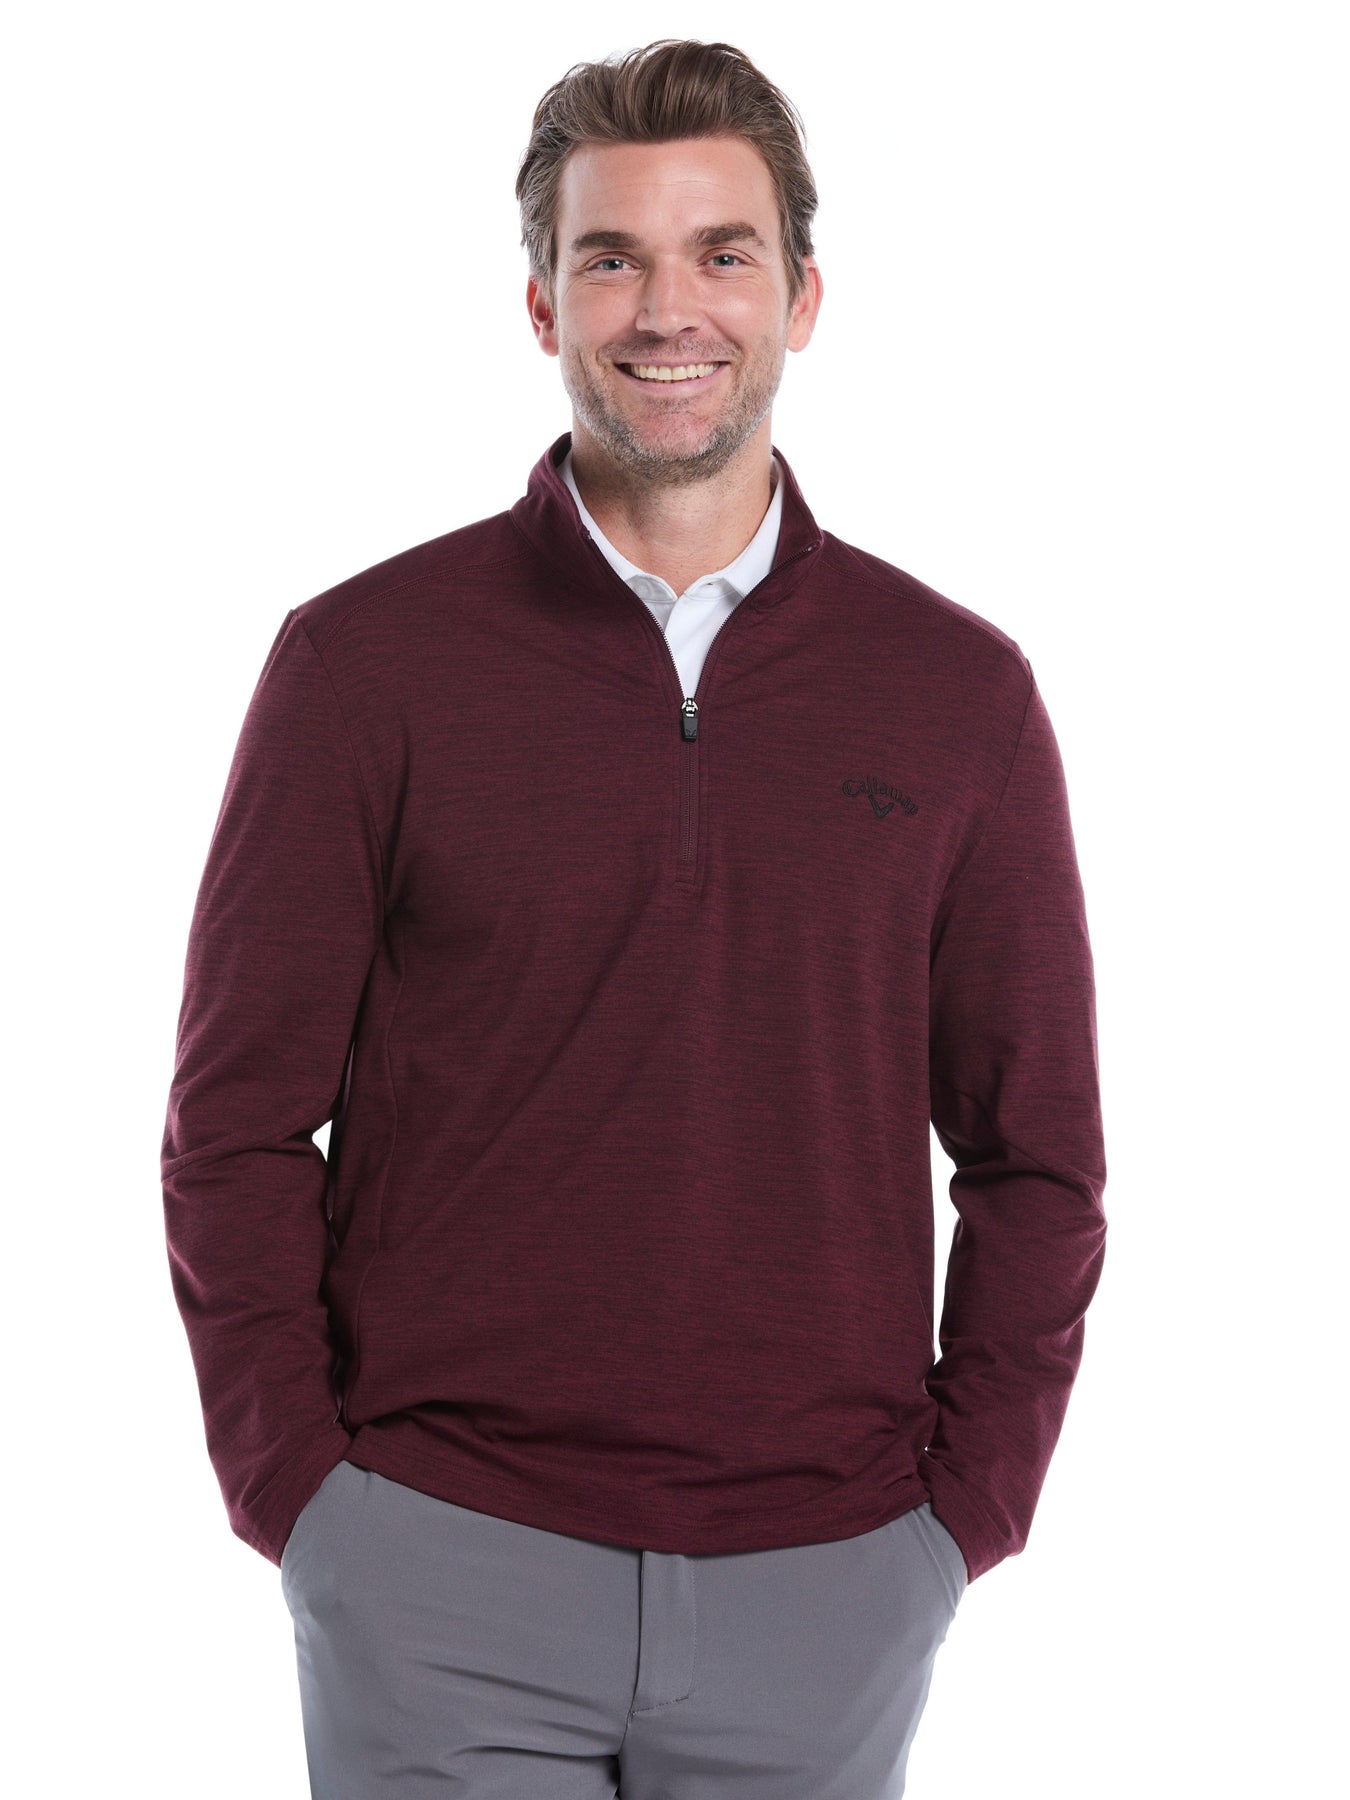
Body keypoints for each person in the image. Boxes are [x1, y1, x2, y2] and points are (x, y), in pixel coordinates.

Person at [161, 36, 1107, 1799]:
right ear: (541, 304)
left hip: (825, 1581)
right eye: (611, 258)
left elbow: (1037, 1157)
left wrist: (959, 1516)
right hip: (438, 1558)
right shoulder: (363, 665)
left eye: (719, 253)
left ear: (801, 296)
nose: (668, 309)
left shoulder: (957, 693)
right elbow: (233, 1124)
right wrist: (300, 1493)